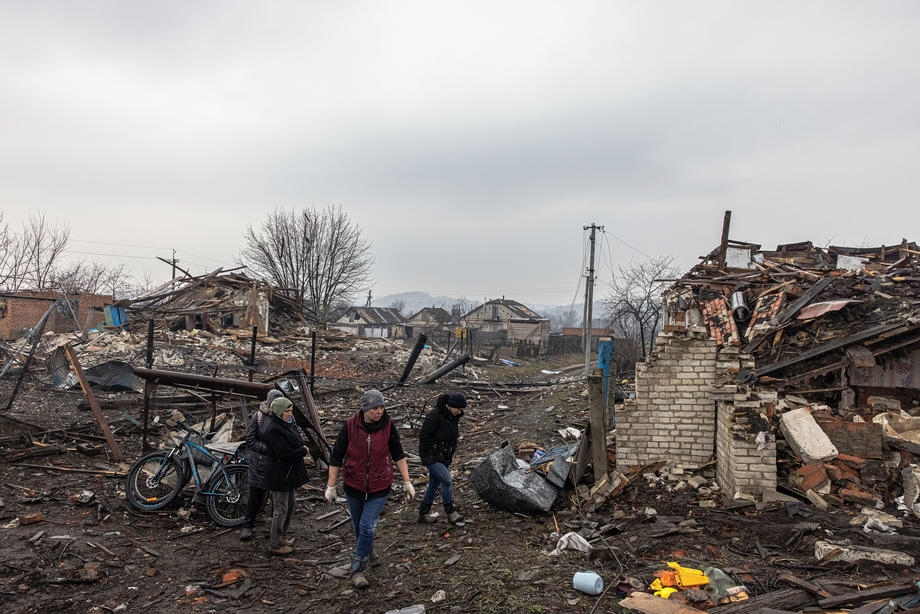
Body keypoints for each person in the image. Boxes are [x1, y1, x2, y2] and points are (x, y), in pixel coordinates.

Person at [325, 389, 415, 588]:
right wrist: (331, 485)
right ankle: (370, 551)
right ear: (365, 409)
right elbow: (336, 456)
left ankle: (357, 569)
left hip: (379, 485)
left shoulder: (388, 426)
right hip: (353, 484)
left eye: (382, 407)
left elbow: (398, 454)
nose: (379, 411)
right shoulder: (349, 426)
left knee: (367, 526)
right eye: (375, 408)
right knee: (358, 526)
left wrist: (407, 481)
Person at [262, 396, 308, 555]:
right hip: (279, 475)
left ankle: (281, 537)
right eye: (287, 411)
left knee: (290, 505)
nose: (290, 413)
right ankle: (275, 544)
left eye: (291, 410)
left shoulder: (288, 424)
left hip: (288, 473)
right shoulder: (273, 429)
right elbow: (284, 453)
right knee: (280, 509)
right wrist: (302, 451)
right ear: (279, 412)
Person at [241, 389, 284, 542]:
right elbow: (250, 439)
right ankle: (248, 525)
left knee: (277, 499)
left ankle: (274, 529)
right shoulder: (258, 416)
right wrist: (267, 449)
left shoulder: (285, 416)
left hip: (278, 464)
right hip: (260, 464)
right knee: (255, 496)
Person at [418, 392, 466, 524]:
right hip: (432, 455)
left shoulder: (454, 416)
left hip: (444, 456)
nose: (460, 412)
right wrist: (428, 456)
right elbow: (424, 436)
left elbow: (452, 438)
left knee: (433, 484)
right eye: (459, 409)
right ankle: (450, 513)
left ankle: (423, 514)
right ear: (450, 405)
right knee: (447, 481)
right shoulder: (435, 415)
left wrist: (449, 454)